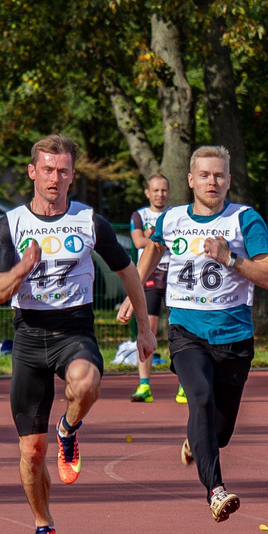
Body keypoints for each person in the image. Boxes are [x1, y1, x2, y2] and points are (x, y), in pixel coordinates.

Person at [0, 135, 157, 534]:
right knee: (31, 451)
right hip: (28, 335)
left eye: (63, 171)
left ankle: (69, 429)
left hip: (73, 331)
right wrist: (22, 269)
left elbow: (129, 273)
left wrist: (145, 329)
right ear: (32, 172)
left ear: (72, 175)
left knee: (86, 383)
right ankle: (42, 526)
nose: (55, 178)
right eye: (47, 170)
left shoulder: (89, 222)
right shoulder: (9, 225)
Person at [137, 146, 268, 520]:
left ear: (229, 180)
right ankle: (216, 491)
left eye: (219, 175)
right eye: (204, 175)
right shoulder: (171, 220)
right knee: (198, 397)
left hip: (234, 334)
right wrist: (134, 293)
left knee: (219, 432)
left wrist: (230, 259)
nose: (212, 182)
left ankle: (197, 441)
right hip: (187, 329)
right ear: (191, 180)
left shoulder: (244, 220)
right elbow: (153, 249)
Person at [121, 172, 171, 404]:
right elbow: (139, 242)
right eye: (156, 190)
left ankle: (184, 386)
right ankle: (144, 385)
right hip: (149, 274)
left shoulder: (175, 215)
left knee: (180, 329)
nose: (160, 194)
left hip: (175, 274)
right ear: (147, 192)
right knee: (147, 327)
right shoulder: (139, 215)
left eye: (164, 190)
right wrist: (154, 233)